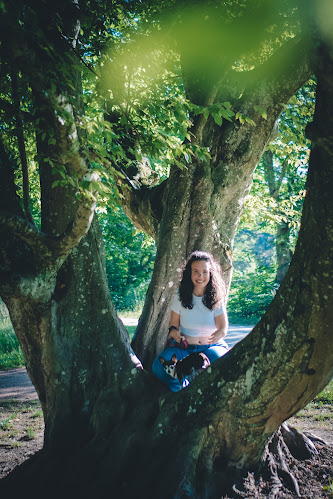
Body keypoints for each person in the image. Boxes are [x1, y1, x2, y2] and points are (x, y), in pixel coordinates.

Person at [152, 250, 229, 392]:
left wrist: (219, 334)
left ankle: (203, 391)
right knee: (159, 367)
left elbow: (223, 328)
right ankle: (180, 390)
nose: (201, 276)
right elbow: (173, 325)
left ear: (210, 273)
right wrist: (174, 332)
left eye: (205, 272)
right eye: (196, 271)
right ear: (189, 273)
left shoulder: (217, 297)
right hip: (185, 351)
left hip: (210, 349)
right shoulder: (180, 295)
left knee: (221, 364)